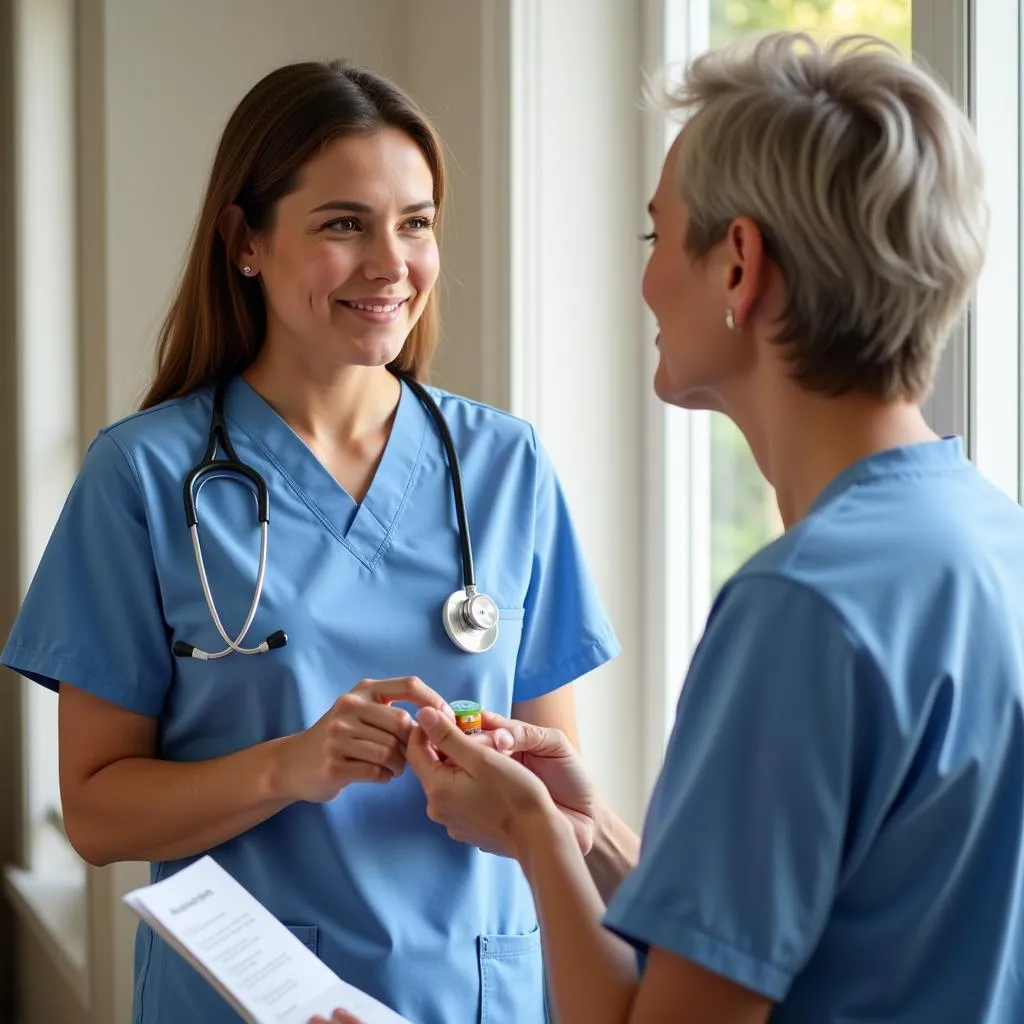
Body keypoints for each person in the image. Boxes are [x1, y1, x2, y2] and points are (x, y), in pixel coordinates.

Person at [330, 30, 1024, 1024]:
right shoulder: (989, 540)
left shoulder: (801, 609)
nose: (648, 282)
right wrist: (589, 834)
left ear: (739, 265)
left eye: (658, 239)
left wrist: (530, 833)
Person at [0, 60, 619, 1024]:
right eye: (344, 224)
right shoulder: (145, 477)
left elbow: (551, 781)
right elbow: (94, 811)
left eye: (416, 222)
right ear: (246, 241)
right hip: (248, 1004)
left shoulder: (506, 465)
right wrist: (288, 767)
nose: (391, 263)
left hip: (479, 994)